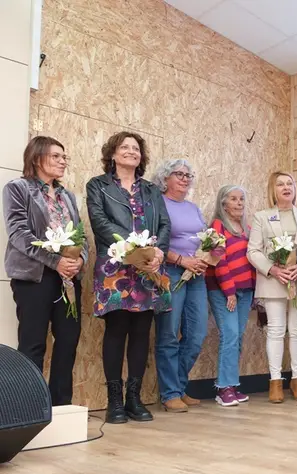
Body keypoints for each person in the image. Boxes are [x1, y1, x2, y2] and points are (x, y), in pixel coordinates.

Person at [87, 131, 170, 424]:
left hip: (147, 269)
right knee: (116, 330)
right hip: (115, 267)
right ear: (113, 153)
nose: (131, 151)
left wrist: (157, 252)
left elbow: (163, 224)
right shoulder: (98, 185)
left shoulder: (151, 190)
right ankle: (114, 402)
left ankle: (134, 399)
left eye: (136, 148)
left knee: (140, 332)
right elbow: (99, 221)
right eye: (124, 147)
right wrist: (130, 247)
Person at [3, 136, 87, 406]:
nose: (63, 161)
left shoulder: (67, 195)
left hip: (69, 279)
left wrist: (80, 261)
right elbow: (18, 233)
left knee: (67, 343)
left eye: (64, 157)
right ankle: (29, 408)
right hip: (34, 278)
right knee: (32, 345)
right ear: (37, 158)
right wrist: (55, 262)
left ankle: (61, 408)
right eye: (56, 156)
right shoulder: (18, 188)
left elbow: (80, 236)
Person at [248, 171, 297, 403]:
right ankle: (275, 382)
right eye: (280, 184)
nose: (286, 187)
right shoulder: (262, 217)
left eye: (290, 184)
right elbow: (253, 251)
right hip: (273, 281)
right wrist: (274, 270)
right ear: (272, 190)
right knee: (275, 330)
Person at [151, 159, 208, 413]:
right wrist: (181, 259)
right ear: (165, 178)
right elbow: (154, 241)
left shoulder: (194, 208)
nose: (185, 179)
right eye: (179, 174)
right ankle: (170, 393)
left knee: (196, 335)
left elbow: (205, 239)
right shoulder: (157, 204)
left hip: (196, 274)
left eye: (188, 175)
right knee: (169, 334)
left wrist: (205, 256)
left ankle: (180, 385)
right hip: (170, 272)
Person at [206, 185, 257, 407]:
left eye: (242, 199)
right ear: (223, 203)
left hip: (246, 291)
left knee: (237, 336)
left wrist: (254, 291)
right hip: (223, 291)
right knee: (230, 335)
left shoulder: (245, 228)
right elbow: (219, 262)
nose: (239, 203)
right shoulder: (217, 226)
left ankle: (232, 384)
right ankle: (224, 387)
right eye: (234, 199)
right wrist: (229, 292)